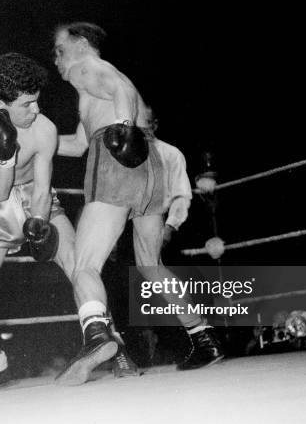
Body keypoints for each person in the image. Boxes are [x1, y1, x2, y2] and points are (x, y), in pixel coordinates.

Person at [53, 22, 223, 385]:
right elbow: (78, 144)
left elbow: (120, 92)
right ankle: (203, 338)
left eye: (60, 48)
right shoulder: (95, 88)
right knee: (151, 265)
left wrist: (123, 127)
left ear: (81, 44)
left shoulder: (88, 68)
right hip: (147, 162)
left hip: (117, 158)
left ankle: (97, 338)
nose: (56, 58)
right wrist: (32, 141)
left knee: (83, 264)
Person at [0, 52, 76, 392]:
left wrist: (38, 221)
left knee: (82, 267)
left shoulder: (44, 128)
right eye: (27, 104)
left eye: (37, 102)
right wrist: (6, 158)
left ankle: (110, 344)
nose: (36, 110)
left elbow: (43, 187)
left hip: (36, 194)